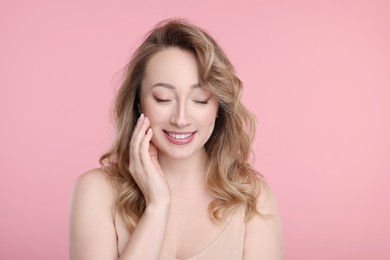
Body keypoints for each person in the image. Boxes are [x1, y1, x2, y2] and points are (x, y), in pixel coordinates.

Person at [69, 19, 283, 260]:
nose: (181, 119)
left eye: (200, 99)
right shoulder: (96, 191)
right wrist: (157, 208)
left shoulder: (253, 198)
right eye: (163, 98)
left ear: (218, 107)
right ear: (138, 102)